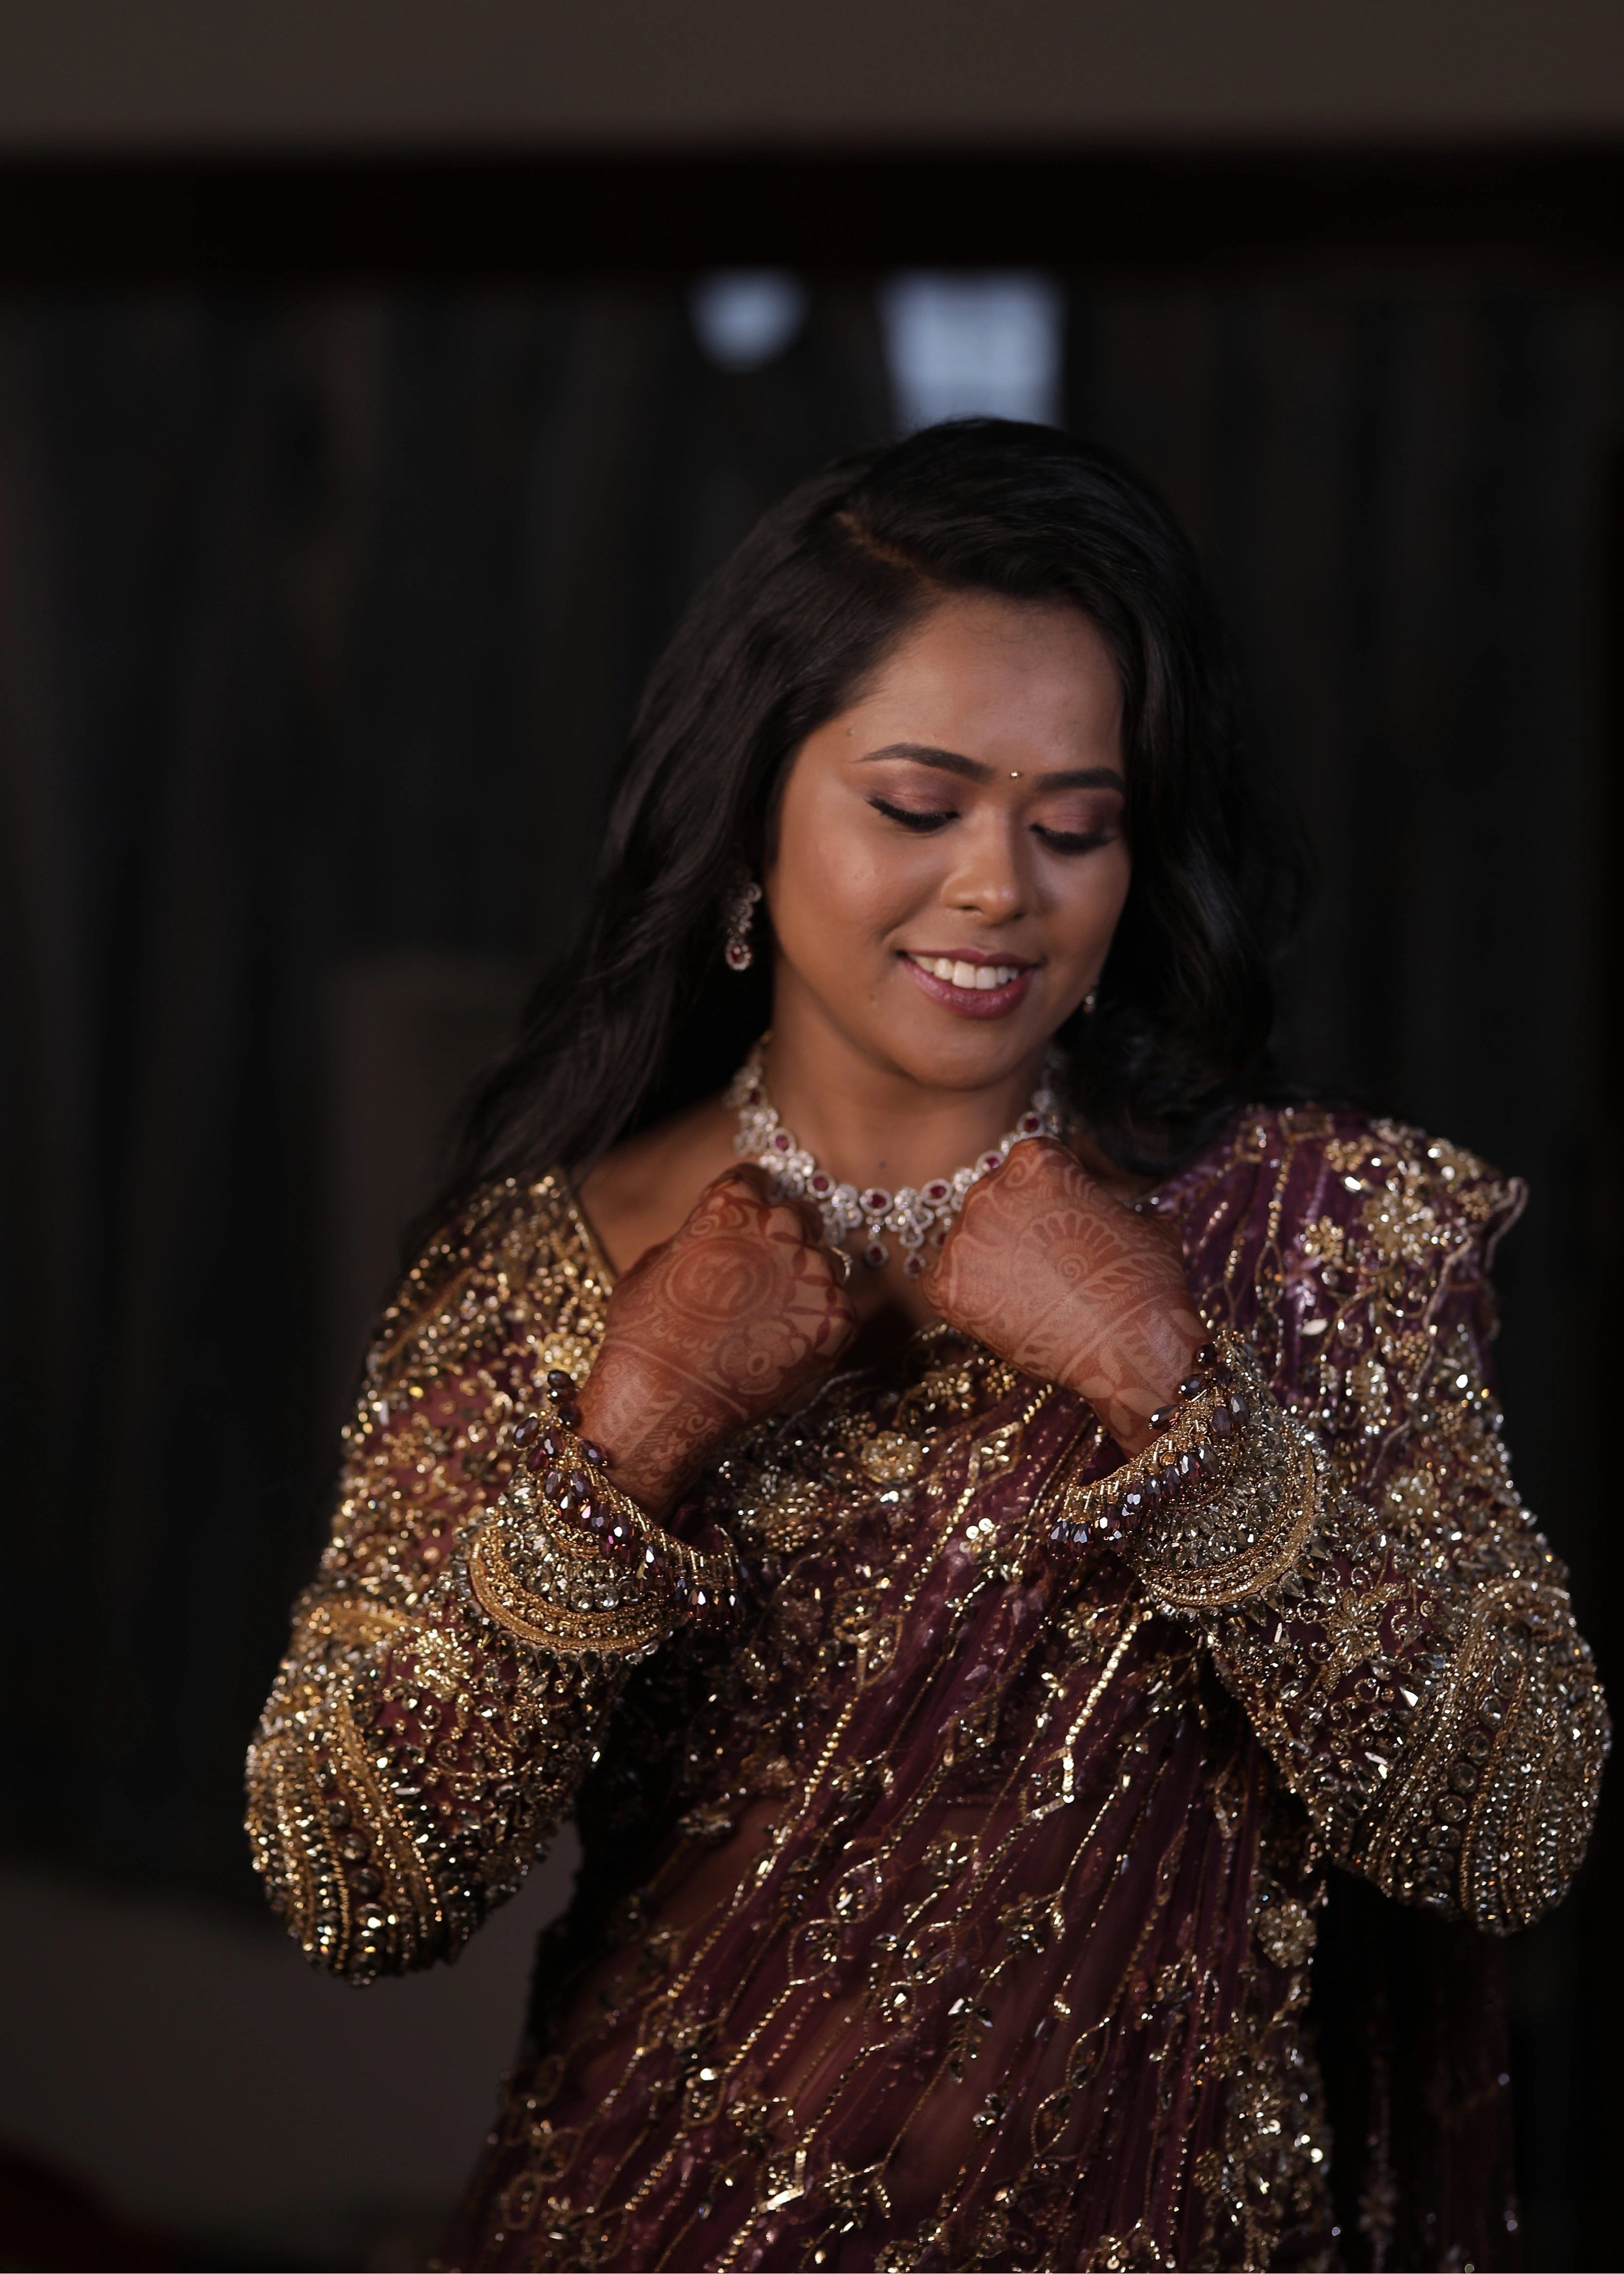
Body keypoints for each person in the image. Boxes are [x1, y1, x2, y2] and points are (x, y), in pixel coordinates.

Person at [247, 422, 1607, 2274]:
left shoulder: (1313, 1238)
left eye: (1072, 826)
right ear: (749, 814)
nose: (999, 890)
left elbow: (1510, 1826)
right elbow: (351, 1876)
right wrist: (625, 1446)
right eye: (917, 805)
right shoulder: (549, 1276)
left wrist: (1177, 1400)